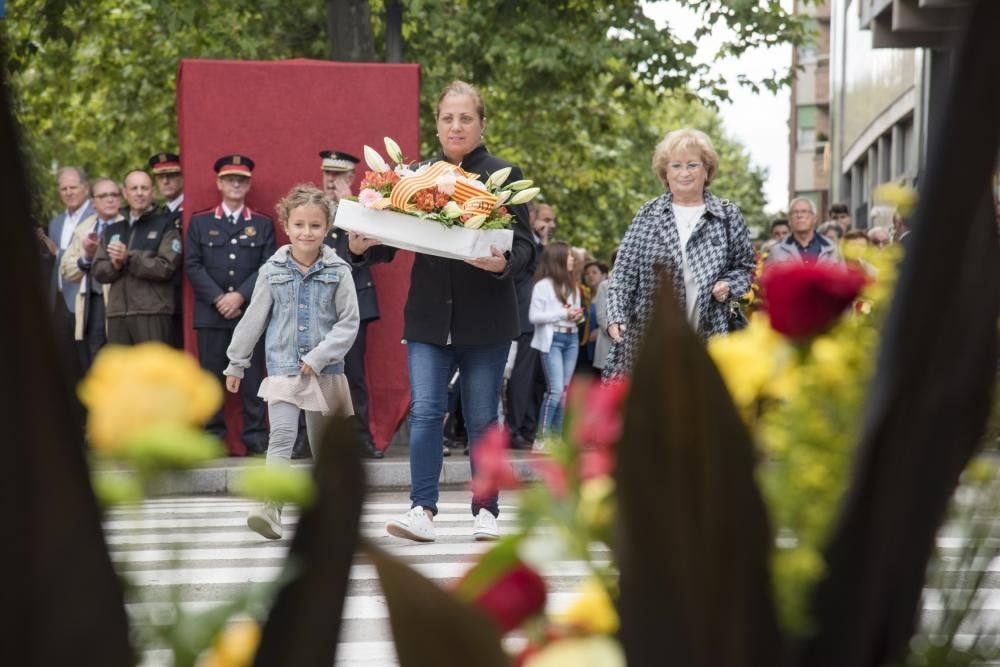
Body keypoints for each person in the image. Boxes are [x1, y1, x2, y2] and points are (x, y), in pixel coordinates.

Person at [384, 80, 536, 543]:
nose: (456, 125)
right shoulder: (414, 177)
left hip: (485, 319)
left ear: (481, 124)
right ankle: (421, 510)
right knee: (427, 411)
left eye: (465, 117)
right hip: (429, 319)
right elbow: (384, 241)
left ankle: (486, 510)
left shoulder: (503, 176)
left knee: (483, 417)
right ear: (436, 123)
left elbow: (528, 247)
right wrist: (358, 245)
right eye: (448, 117)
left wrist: (503, 263)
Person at [224, 184, 359, 540]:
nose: (306, 232)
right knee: (281, 437)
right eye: (299, 225)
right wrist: (237, 362)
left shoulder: (339, 270)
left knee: (324, 448)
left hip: (326, 372)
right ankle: (271, 507)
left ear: (327, 227)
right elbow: (253, 318)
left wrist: (318, 357)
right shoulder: (272, 270)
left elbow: (349, 323)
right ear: (286, 225)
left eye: (315, 226)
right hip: (284, 368)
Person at [604, 128, 754, 378]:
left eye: (692, 165)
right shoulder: (648, 214)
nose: (684, 173)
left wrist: (729, 284)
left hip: (708, 331)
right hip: (650, 332)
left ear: (707, 171)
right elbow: (622, 274)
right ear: (666, 173)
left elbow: (745, 268)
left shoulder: (727, 215)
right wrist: (615, 316)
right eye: (676, 166)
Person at [186, 155, 274, 456]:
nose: (236, 183)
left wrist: (240, 296)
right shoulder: (200, 221)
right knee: (210, 377)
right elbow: (193, 264)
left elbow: (267, 265)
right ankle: (211, 436)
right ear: (219, 183)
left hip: (249, 312)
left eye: (242, 179)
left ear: (248, 184)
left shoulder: (262, 224)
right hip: (211, 313)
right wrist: (219, 298)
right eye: (230, 179)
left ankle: (254, 435)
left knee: (251, 377)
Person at [320, 149, 395, 460]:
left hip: (355, 301)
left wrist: (351, 204)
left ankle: (360, 438)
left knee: (354, 376)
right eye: (328, 175)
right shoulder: (314, 206)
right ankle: (306, 440)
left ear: (351, 178)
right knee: (312, 373)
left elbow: (383, 251)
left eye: (338, 176)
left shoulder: (365, 208)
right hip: (319, 302)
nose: (331, 181)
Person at [91, 169, 180, 345]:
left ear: (152, 192)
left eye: (144, 188)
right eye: (134, 188)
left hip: (152, 312)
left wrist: (129, 258)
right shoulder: (113, 230)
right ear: (125, 193)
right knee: (121, 372)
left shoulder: (166, 225)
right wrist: (115, 266)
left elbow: (166, 267)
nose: (139, 193)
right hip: (117, 314)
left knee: (153, 371)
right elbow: (98, 270)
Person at [60, 177, 123, 369]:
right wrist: (86, 257)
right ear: (93, 203)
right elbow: (66, 269)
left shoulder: (129, 223)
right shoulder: (84, 229)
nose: (110, 199)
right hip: (92, 304)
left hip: (121, 303)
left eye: (114, 195)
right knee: (95, 361)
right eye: (103, 196)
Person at [529, 241, 583, 446]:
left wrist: (576, 316)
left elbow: (573, 315)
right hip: (553, 340)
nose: (572, 259)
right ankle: (541, 439)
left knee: (565, 391)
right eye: (569, 256)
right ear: (558, 258)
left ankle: (557, 438)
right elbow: (534, 316)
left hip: (572, 338)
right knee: (555, 390)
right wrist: (563, 313)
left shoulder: (573, 286)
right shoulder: (543, 286)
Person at [506, 200, 546, 451]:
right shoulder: (518, 240)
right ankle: (514, 430)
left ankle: (526, 428)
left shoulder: (535, 242)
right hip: (522, 315)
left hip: (532, 318)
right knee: (519, 378)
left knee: (533, 379)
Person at [48, 166, 95, 377]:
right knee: (65, 365)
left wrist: (59, 252)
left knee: (87, 362)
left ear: (85, 188)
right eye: (63, 188)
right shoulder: (56, 223)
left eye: (73, 187)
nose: (68, 192)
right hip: (59, 301)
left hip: (85, 299)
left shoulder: (97, 216)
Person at [149, 152, 185, 347]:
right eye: (160, 177)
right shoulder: (159, 214)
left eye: (171, 175)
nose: (165, 181)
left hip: (184, 290)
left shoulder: (190, 211)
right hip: (160, 294)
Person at [766, 197, 843, 265]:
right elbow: (768, 280)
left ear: (815, 218)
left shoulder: (832, 248)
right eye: (795, 212)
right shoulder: (777, 251)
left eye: (804, 211)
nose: (799, 215)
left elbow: (842, 279)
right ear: (789, 220)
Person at [582, 260, 609, 370]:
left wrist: (601, 330)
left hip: (602, 343)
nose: (590, 276)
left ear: (604, 275)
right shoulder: (584, 296)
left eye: (594, 272)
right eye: (587, 273)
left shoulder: (609, 295)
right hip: (584, 347)